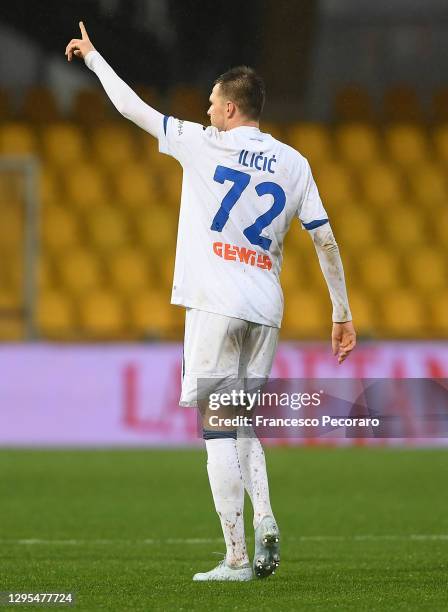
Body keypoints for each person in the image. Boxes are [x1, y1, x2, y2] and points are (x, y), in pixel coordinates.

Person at [65, 22, 356, 582]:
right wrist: (341, 313)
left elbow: (134, 110)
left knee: (218, 429)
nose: (206, 107)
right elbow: (325, 239)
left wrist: (96, 59)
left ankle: (236, 558)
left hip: (215, 303)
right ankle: (266, 521)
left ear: (228, 109)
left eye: (212, 101)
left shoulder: (203, 142)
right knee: (243, 422)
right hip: (266, 306)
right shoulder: (296, 163)